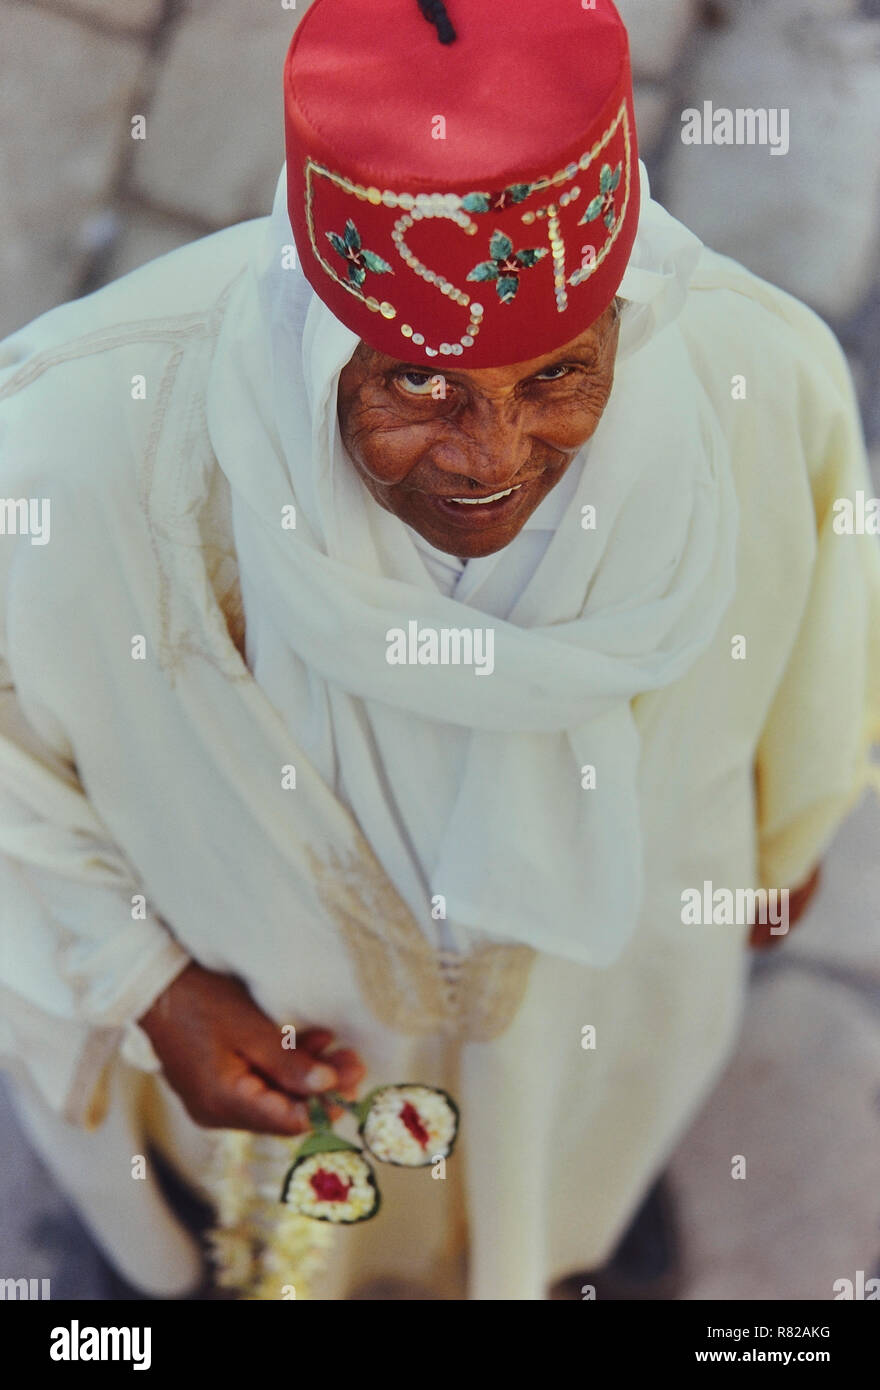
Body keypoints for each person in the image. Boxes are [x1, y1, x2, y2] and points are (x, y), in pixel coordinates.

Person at [1, 0, 878, 1301]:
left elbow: (822, 664)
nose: (494, 459)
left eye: (560, 379)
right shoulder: (72, 442)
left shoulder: (765, 384)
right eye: (418, 384)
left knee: (569, 1175)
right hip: (263, 1055)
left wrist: (786, 844)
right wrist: (149, 986)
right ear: (320, 327)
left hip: (588, 1031)